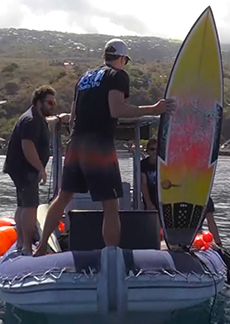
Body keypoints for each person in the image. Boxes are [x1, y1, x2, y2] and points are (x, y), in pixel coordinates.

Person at [34, 38, 174, 256]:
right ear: (121, 59)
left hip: (76, 142)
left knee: (63, 196)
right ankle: (111, 256)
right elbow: (116, 109)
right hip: (99, 144)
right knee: (110, 204)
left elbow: (73, 116)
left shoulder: (84, 78)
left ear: (104, 57)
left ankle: (41, 247)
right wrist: (154, 109)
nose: (124, 65)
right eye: (125, 61)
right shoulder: (118, 76)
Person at [2, 85, 64, 255]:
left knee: (23, 205)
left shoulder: (36, 118)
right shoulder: (31, 120)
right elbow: (27, 146)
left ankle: (22, 243)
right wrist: (40, 169)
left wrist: (59, 119)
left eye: (54, 103)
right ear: (39, 102)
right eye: (50, 103)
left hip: (21, 169)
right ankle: (26, 246)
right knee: (30, 207)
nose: (52, 106)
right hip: (25, 169)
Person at [140, 138, 158, 211]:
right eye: (152, 149)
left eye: (157, 149)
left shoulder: (164, 163)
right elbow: (143, 183)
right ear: (147, 151)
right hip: (150, 197)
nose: (155, 151)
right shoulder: (143, 164)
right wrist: (148, 203)